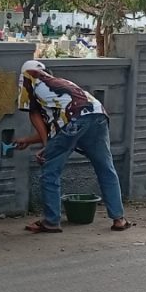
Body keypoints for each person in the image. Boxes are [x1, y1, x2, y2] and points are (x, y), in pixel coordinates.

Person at [20, 58, 131, 233]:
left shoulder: (30, 82)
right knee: (105, 167)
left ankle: (51, 221)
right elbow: (62, 129)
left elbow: (36, 117)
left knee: (50, 171)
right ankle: (119, 219)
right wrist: (30, 140)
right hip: (97, 114)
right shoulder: (61, 82)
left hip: (74, 119)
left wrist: (47, 147)